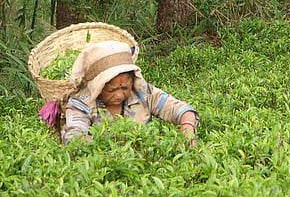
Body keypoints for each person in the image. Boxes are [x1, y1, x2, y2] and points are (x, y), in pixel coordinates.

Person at [61, 40, 199, 144]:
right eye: (112, 90)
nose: (120, 95)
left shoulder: (142, 92)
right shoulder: (81, 104)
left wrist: (187, 130)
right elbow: (74, 139)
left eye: (125, 88)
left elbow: (180, 109)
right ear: (97, 86)